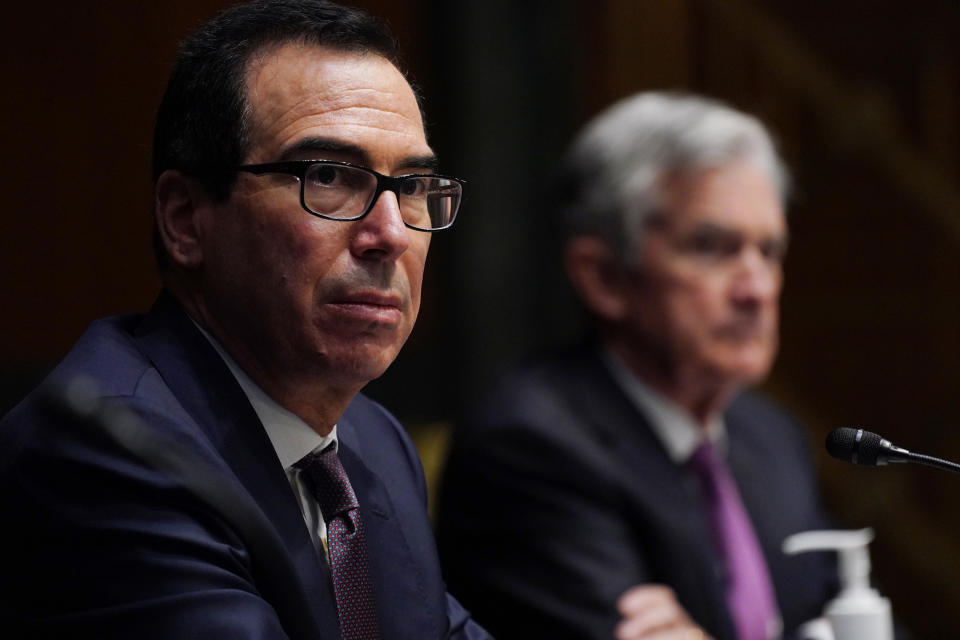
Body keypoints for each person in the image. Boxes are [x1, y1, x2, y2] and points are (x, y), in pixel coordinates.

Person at [0, 1, 490, 638]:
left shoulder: (371, 443)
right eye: (330, 176)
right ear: (184, 218)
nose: (390, 234)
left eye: (414, 187)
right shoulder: (108, 453)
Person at [437, 91, 837, 640]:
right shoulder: (532, 444)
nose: (758, 288)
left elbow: (863, 620)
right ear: (603, 276)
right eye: (713, 247)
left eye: (768, 251)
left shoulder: (773, 438)